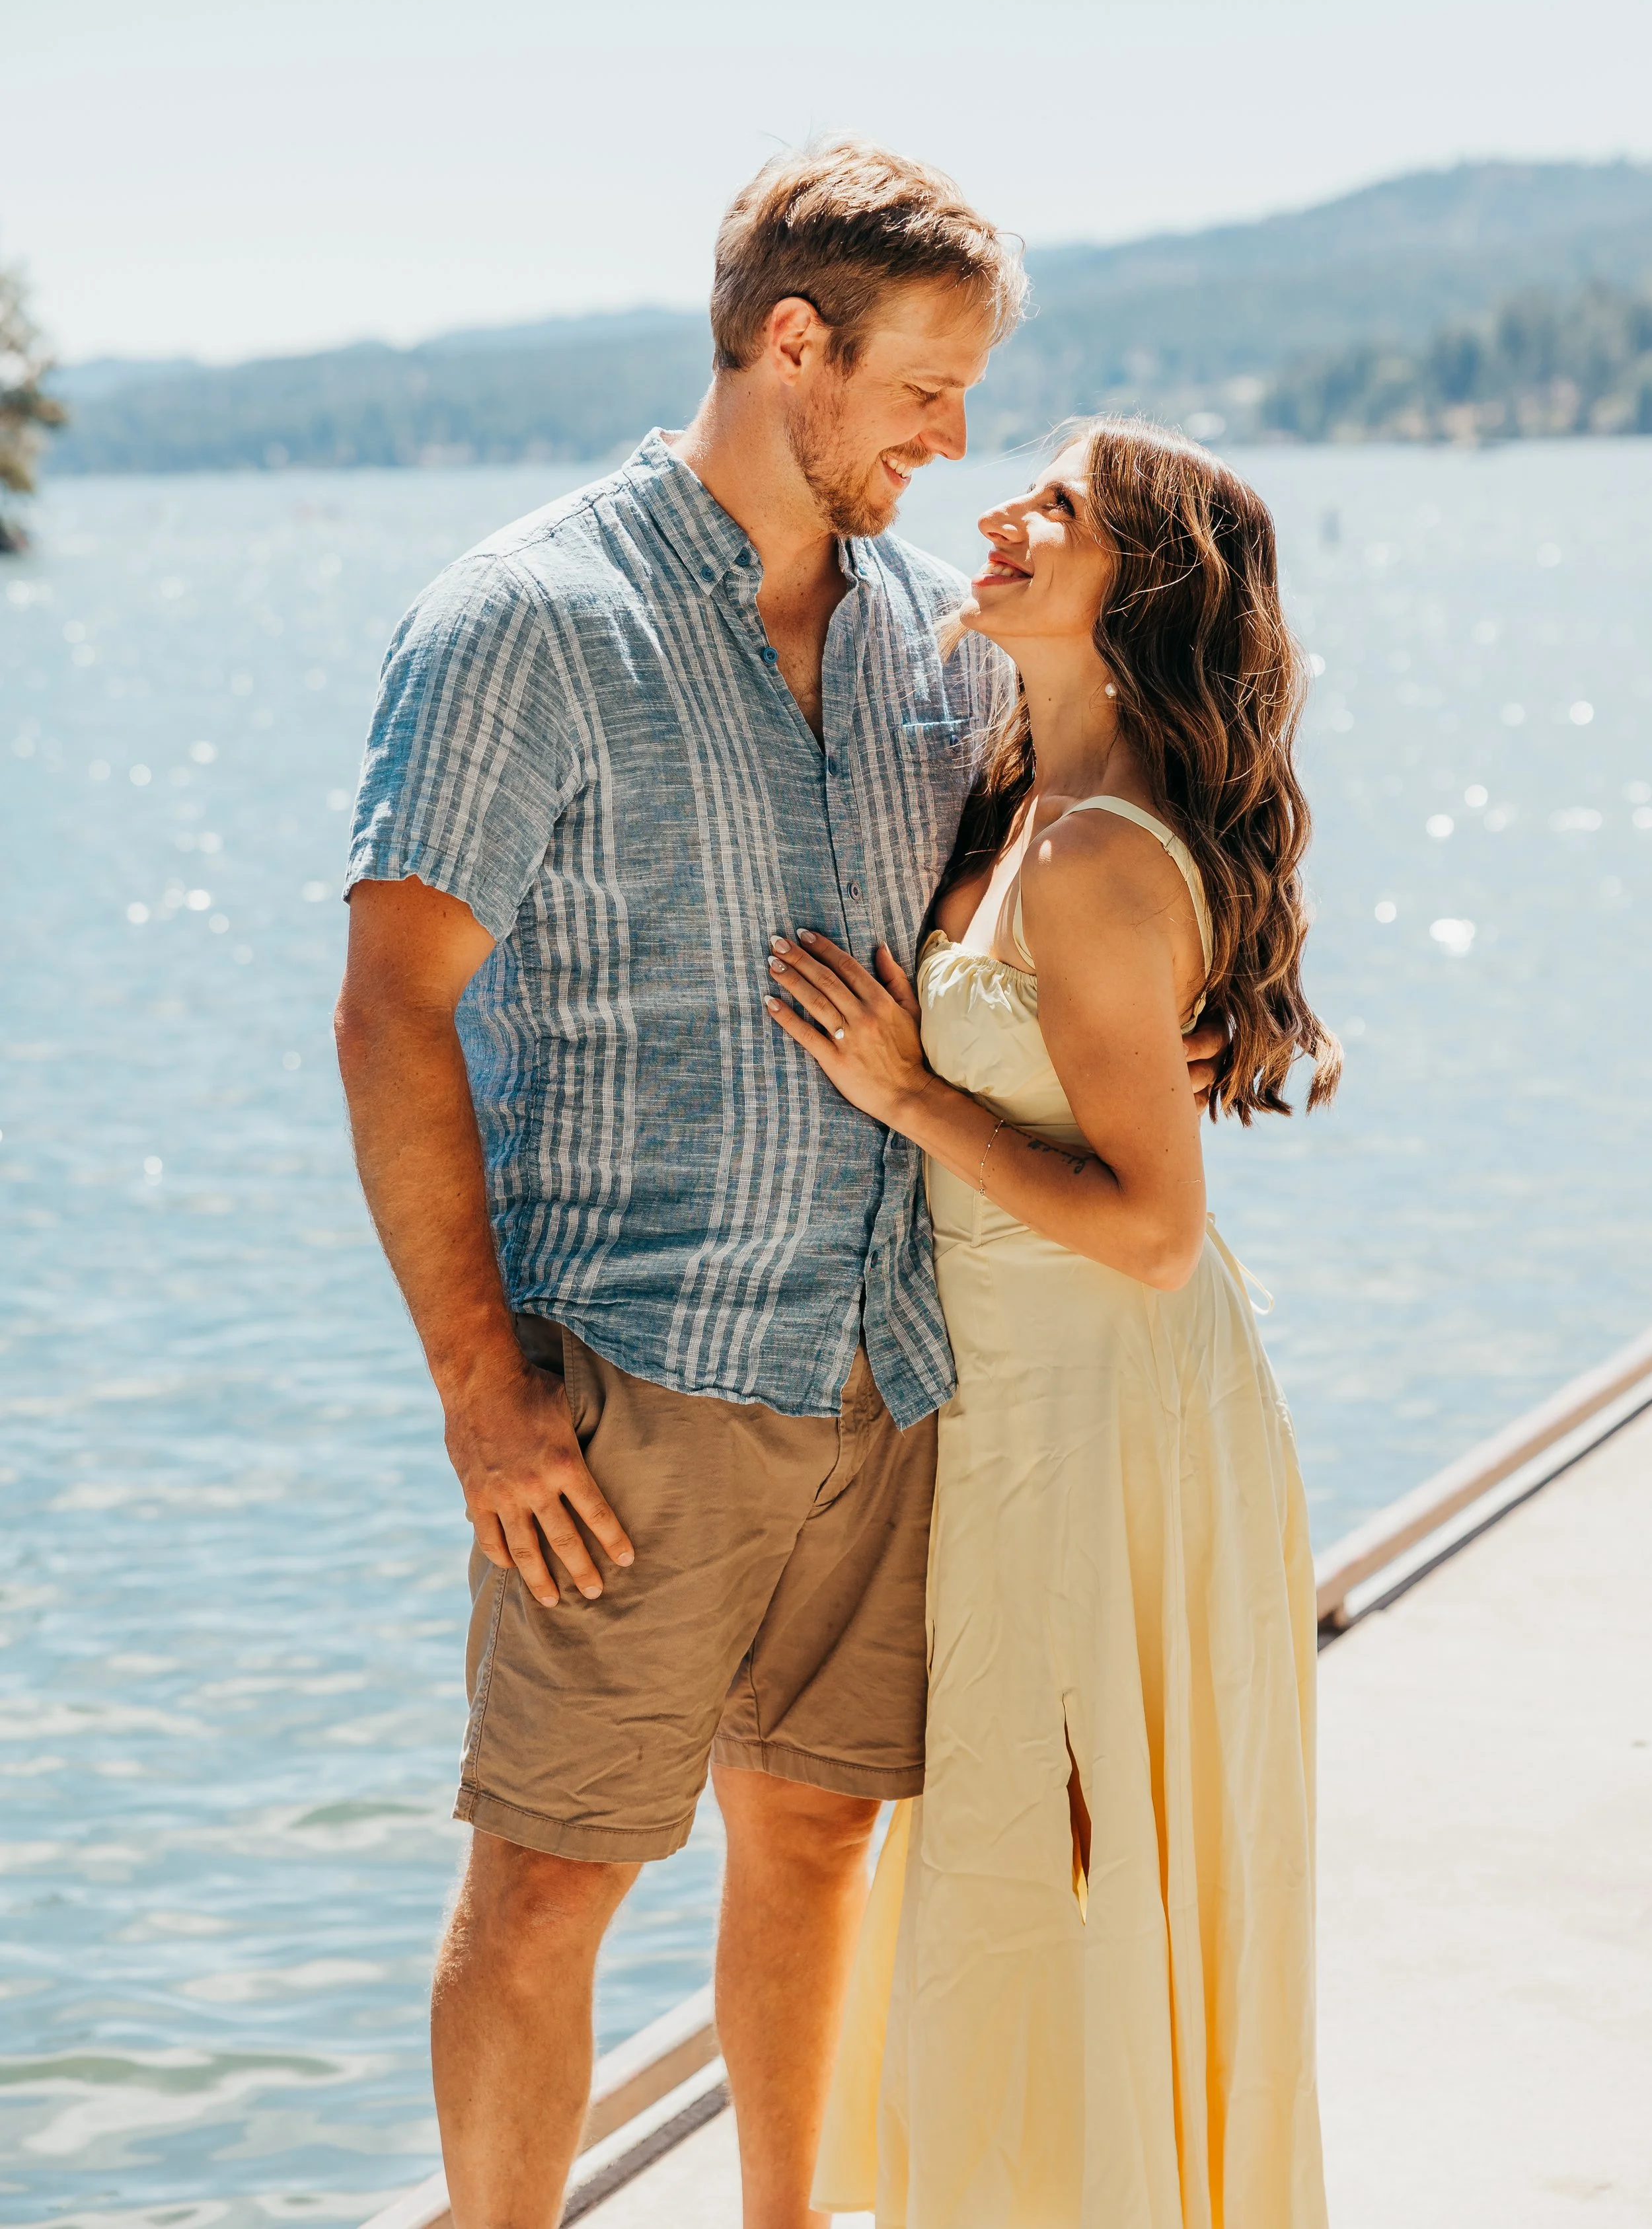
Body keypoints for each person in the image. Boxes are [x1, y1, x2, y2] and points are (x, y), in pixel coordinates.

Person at [335, 139, 1231, 2229]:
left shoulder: (935, 630)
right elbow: (391, 1013)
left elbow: (1091, 849)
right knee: (552, 1869)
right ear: (793, 345)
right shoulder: (523, 622)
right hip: (631, 1376)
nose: (955, 436)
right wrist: (480, 1388)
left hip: (888, 1366)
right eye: (927, 387)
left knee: (818, 1836)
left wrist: (1204, 996)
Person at [769, 420, 1339, 2227]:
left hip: (1108, 1404)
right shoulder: (1022, 801)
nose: (996, 519)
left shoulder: (1092, 853)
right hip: (1022, 1403)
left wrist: (904, 1090)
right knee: (1034, 1843)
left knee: (1081, 1844)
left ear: (1140, 587)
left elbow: (1158, 1231)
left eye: (1057, 511)